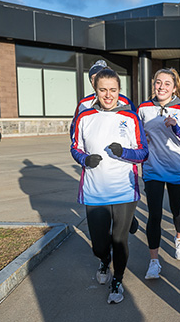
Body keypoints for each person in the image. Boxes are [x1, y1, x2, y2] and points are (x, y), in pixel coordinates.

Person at [70, 68, 148, 304]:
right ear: (96, 90)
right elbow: (75, 147)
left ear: (119, 91)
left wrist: (124, 152)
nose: (108, 95)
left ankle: (118, 279)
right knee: (99, 244)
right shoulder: (84, 117)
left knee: (119, 239)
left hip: (124, 189)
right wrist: (84, 159)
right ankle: (103, 260)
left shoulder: (131, 117)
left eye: (113, 90)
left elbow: (143, 152)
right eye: (103, 90)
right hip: (95, 191)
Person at [137, 68, 180, 280]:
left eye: (167, 83)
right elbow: (135, 136)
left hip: (177, 168)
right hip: (152, 169)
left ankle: (179, 237)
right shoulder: (144, 109)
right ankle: (154, 261)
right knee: (154, 214)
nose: (162, 87)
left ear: (174, 88)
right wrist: (141, 138)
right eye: (158, 82)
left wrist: (176, 129)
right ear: (153, 84)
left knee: (177, 210)